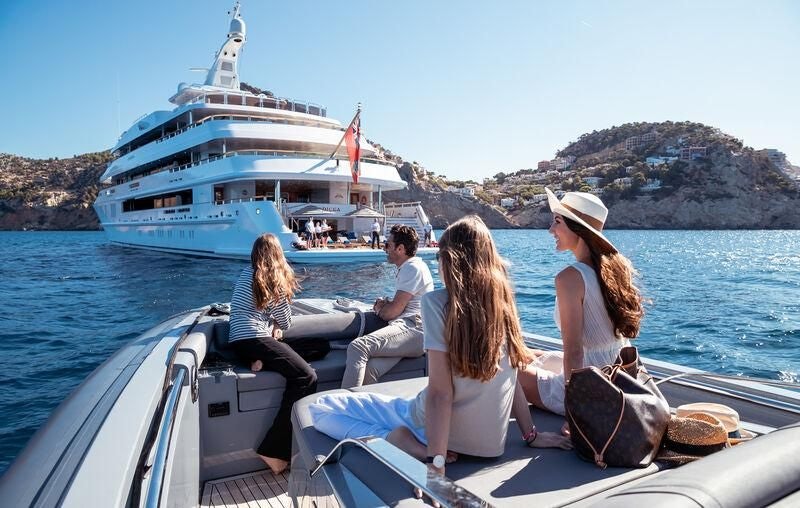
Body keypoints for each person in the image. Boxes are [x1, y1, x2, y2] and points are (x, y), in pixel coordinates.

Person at [310, 216, 571, 477]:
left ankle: (399, 441)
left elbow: (440, 393)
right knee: (400, 403)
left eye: (439, 257)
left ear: (449, 260)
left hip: (432, 431)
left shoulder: (437, 303)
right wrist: (531, 434)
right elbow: (511, 377)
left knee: (321, 408)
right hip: (489, 444)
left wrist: (435, 462)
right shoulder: (502, 303)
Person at [519, 189, 645, 422]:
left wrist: (575, 413)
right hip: (618, 376)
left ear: (578, 229)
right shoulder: (616, 269)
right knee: (526, 354)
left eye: (557, 222)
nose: (551, 230)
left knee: (505, 369)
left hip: (590, 388)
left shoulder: (570, 278)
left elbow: (574, 351)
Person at [228, 233, 317, 474]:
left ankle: (259, 361)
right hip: (256, 337)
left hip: (239, 341)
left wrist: (272, 324)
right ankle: (274, 451)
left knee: (318, 346)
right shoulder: (273, 278)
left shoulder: (246, 274)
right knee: (307, 377)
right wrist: (276, 323)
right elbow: (286, 322)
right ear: (278, 254)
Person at [340, 224, 433, 388]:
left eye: (387, 244)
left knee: (357, 347)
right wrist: (388, 304)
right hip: (414, 331)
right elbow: (400, 305)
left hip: (415, 329)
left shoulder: (412, 267)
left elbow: (391, 313)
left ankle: (343, 403)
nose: (384, 248)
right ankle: (365, 403)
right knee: (370, 369)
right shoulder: (411, 267)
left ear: (400, 249)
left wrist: (379, 308)